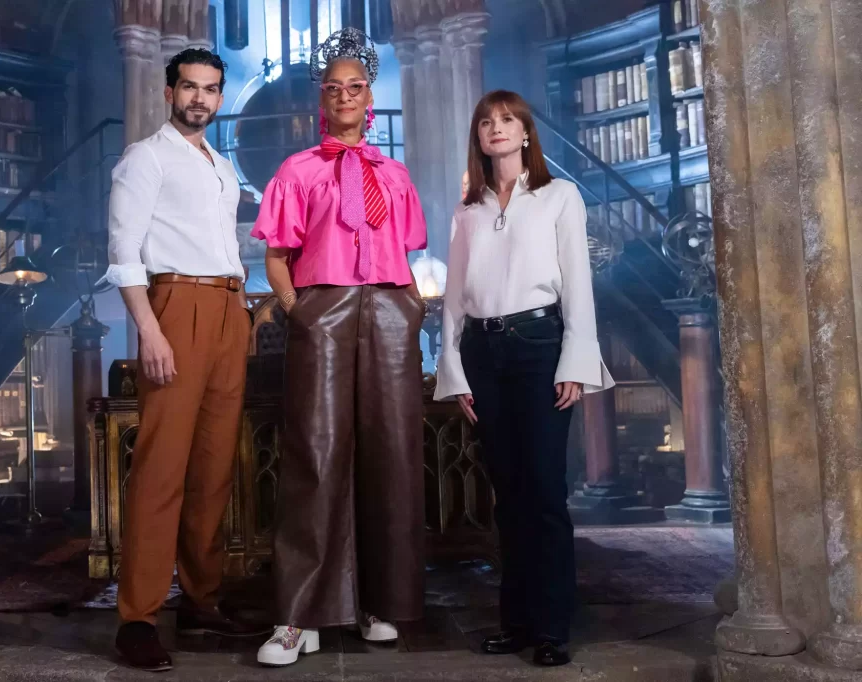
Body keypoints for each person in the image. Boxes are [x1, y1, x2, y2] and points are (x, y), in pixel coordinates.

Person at [250, 27, 429, 667]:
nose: (345, 96)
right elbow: (275, 255)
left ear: (368, 97)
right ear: (321, 99)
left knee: (389, 454)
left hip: (389, 306)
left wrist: (407, 308)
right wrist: (301, 310)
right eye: (335, 88)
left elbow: (409, 252)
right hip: (322, 306)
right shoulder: (297, 171)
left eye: (356, 87)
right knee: (316, 454)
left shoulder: (396, 174)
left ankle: (377, 601)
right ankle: (299, 618)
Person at [434, 90, 615, 667]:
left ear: (526, 133)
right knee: (507, 497)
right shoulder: (469, 208)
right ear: (479, 136)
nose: (496, 129)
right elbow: (455, 299)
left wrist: (576, 359)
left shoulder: (560, 196)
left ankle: (552, 627)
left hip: (540, 347)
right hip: (484, 353)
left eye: (507, 120)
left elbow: (578, 282)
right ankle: (515, 622)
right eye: (486, 122)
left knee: (543, 492)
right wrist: (455, 369)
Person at [105, 48, 263, 672]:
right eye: (189, 87)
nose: (200, 98)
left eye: (211, 89)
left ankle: (202, 599)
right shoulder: (145, 158)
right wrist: (150, 330)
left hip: (229, 310)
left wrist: (243, 314)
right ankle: (137, 618)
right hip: (175, 307)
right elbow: (124, 252)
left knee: (213, 467)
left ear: (221, 97)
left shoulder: (221, 167)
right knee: (161, 468)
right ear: (170, 91)